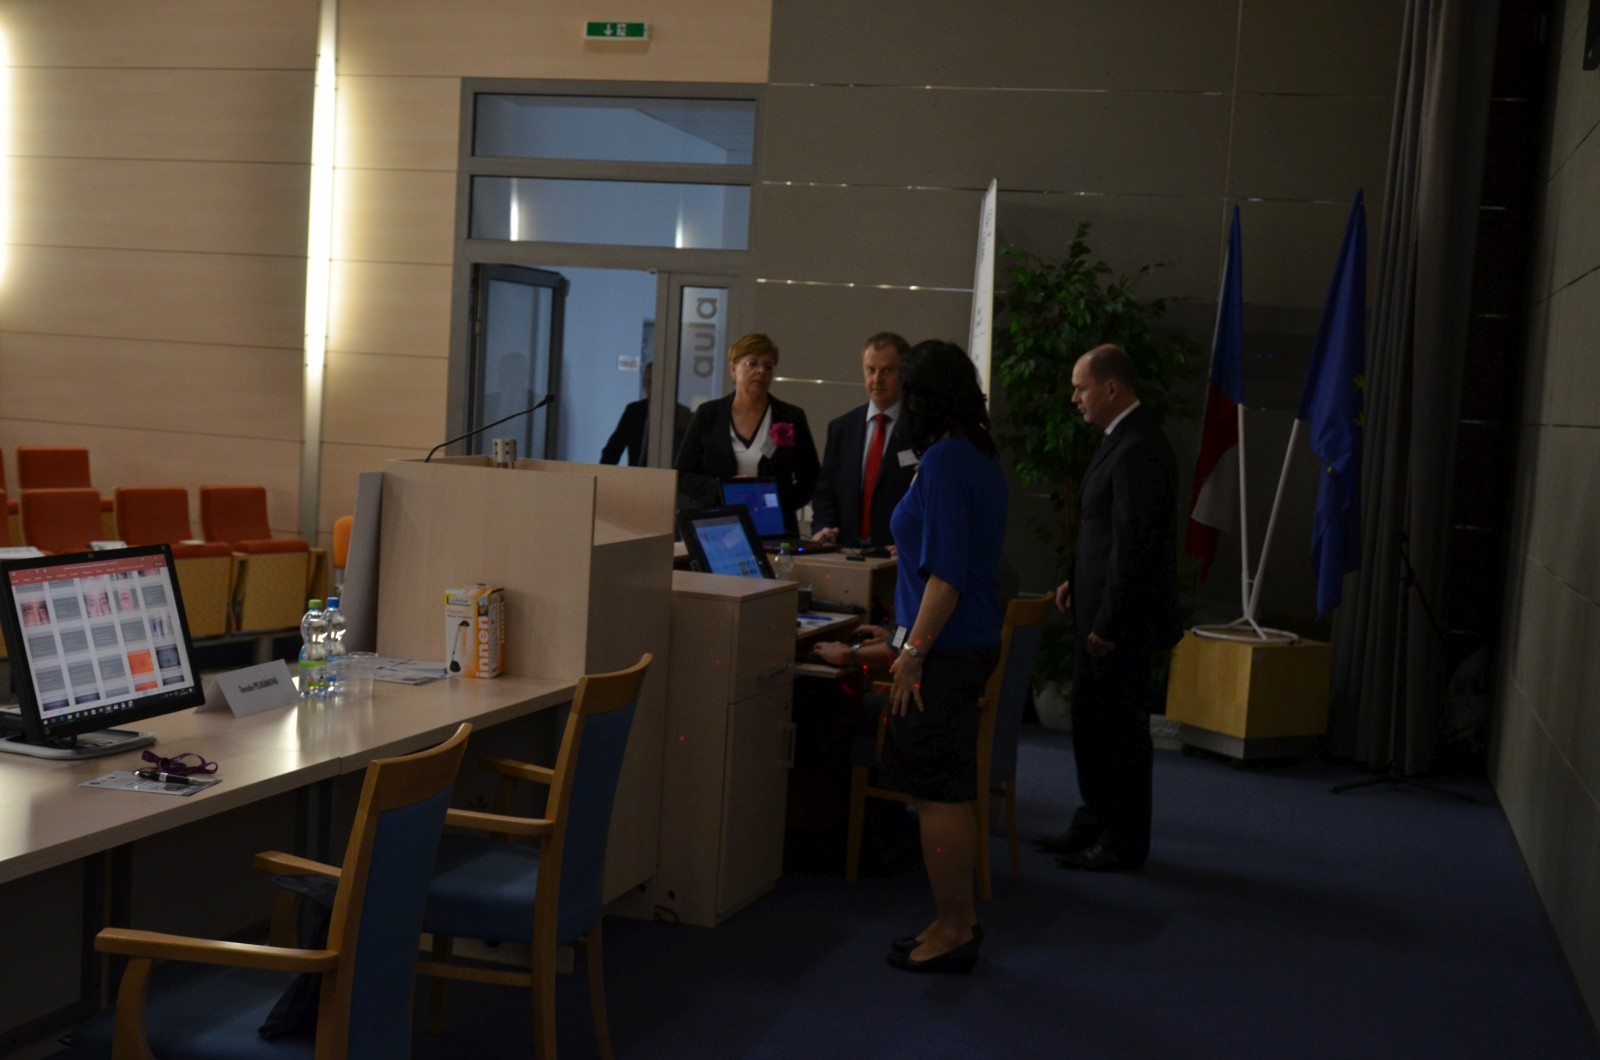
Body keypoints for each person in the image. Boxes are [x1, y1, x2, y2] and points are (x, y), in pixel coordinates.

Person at [879, 339, 1006, 975]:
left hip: (945, 650)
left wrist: (911, 653)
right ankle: (952, 918)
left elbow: (946, 579)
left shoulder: (946, 459)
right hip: (963, 642)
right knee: (946, 789)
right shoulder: (975, 453)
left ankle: (954, 929)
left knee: (938, 796)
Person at [1036, 343, 1178, 873]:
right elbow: (1098, 527)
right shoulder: (1118, 439)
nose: (1075, 398)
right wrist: (1075, 580)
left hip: (1119, 622)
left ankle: (1122, 841)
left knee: (1119, 733)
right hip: (1096, 609)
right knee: (1092, 722)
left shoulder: (1140, 445)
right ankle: (1096, 819)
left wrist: (1110, 623)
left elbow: (1133, 545)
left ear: (1111, 388)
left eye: (1081, 388)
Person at [674, 333, 820, 523]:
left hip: (775, 525)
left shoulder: (790, 417)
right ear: (733, 369)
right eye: (752, 363)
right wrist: (723, 488)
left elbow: (812, 478)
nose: (761, 371)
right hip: (720, 523)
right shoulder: (708, 414)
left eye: (768, 366)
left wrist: (778, 504)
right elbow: (683, 474)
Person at [811, 332, 917, 549]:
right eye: (871, 370)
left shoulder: (919, 429)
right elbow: (825, 494)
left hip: (897, 553)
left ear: (905, 373)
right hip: (845, 551)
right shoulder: (841, 428)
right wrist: (824, 527)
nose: (877, 380)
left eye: (887, 370)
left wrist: (911, 543)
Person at [600, 362, 689, 467]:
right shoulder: (634, 411)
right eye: (650, 382)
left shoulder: (683, 414)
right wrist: (604, 474)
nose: (654, 387)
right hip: (637, 474)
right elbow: (613, 449)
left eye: (659, 382)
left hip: (669, 475)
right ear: (644, 384)